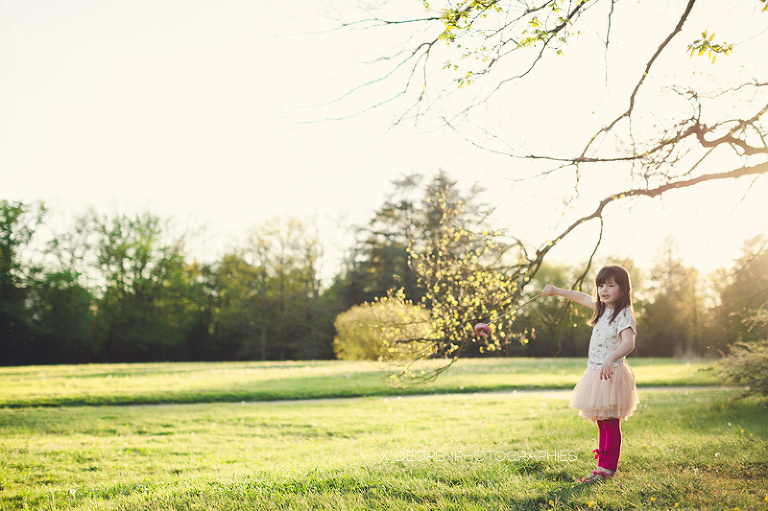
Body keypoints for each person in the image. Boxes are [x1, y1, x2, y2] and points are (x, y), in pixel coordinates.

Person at [541, 265, 639, 483]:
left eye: (611, 285)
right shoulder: (602, 309)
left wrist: (609, 358)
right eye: (601, 285)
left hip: (611, 373)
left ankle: (607, 469)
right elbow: (581, 296)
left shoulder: (623, 314)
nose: (604, 290)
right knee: (602, 422)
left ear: (623, 289)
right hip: (596, 372)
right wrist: (556, 290)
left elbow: (628, 343)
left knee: (610, 422)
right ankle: (602, 466)